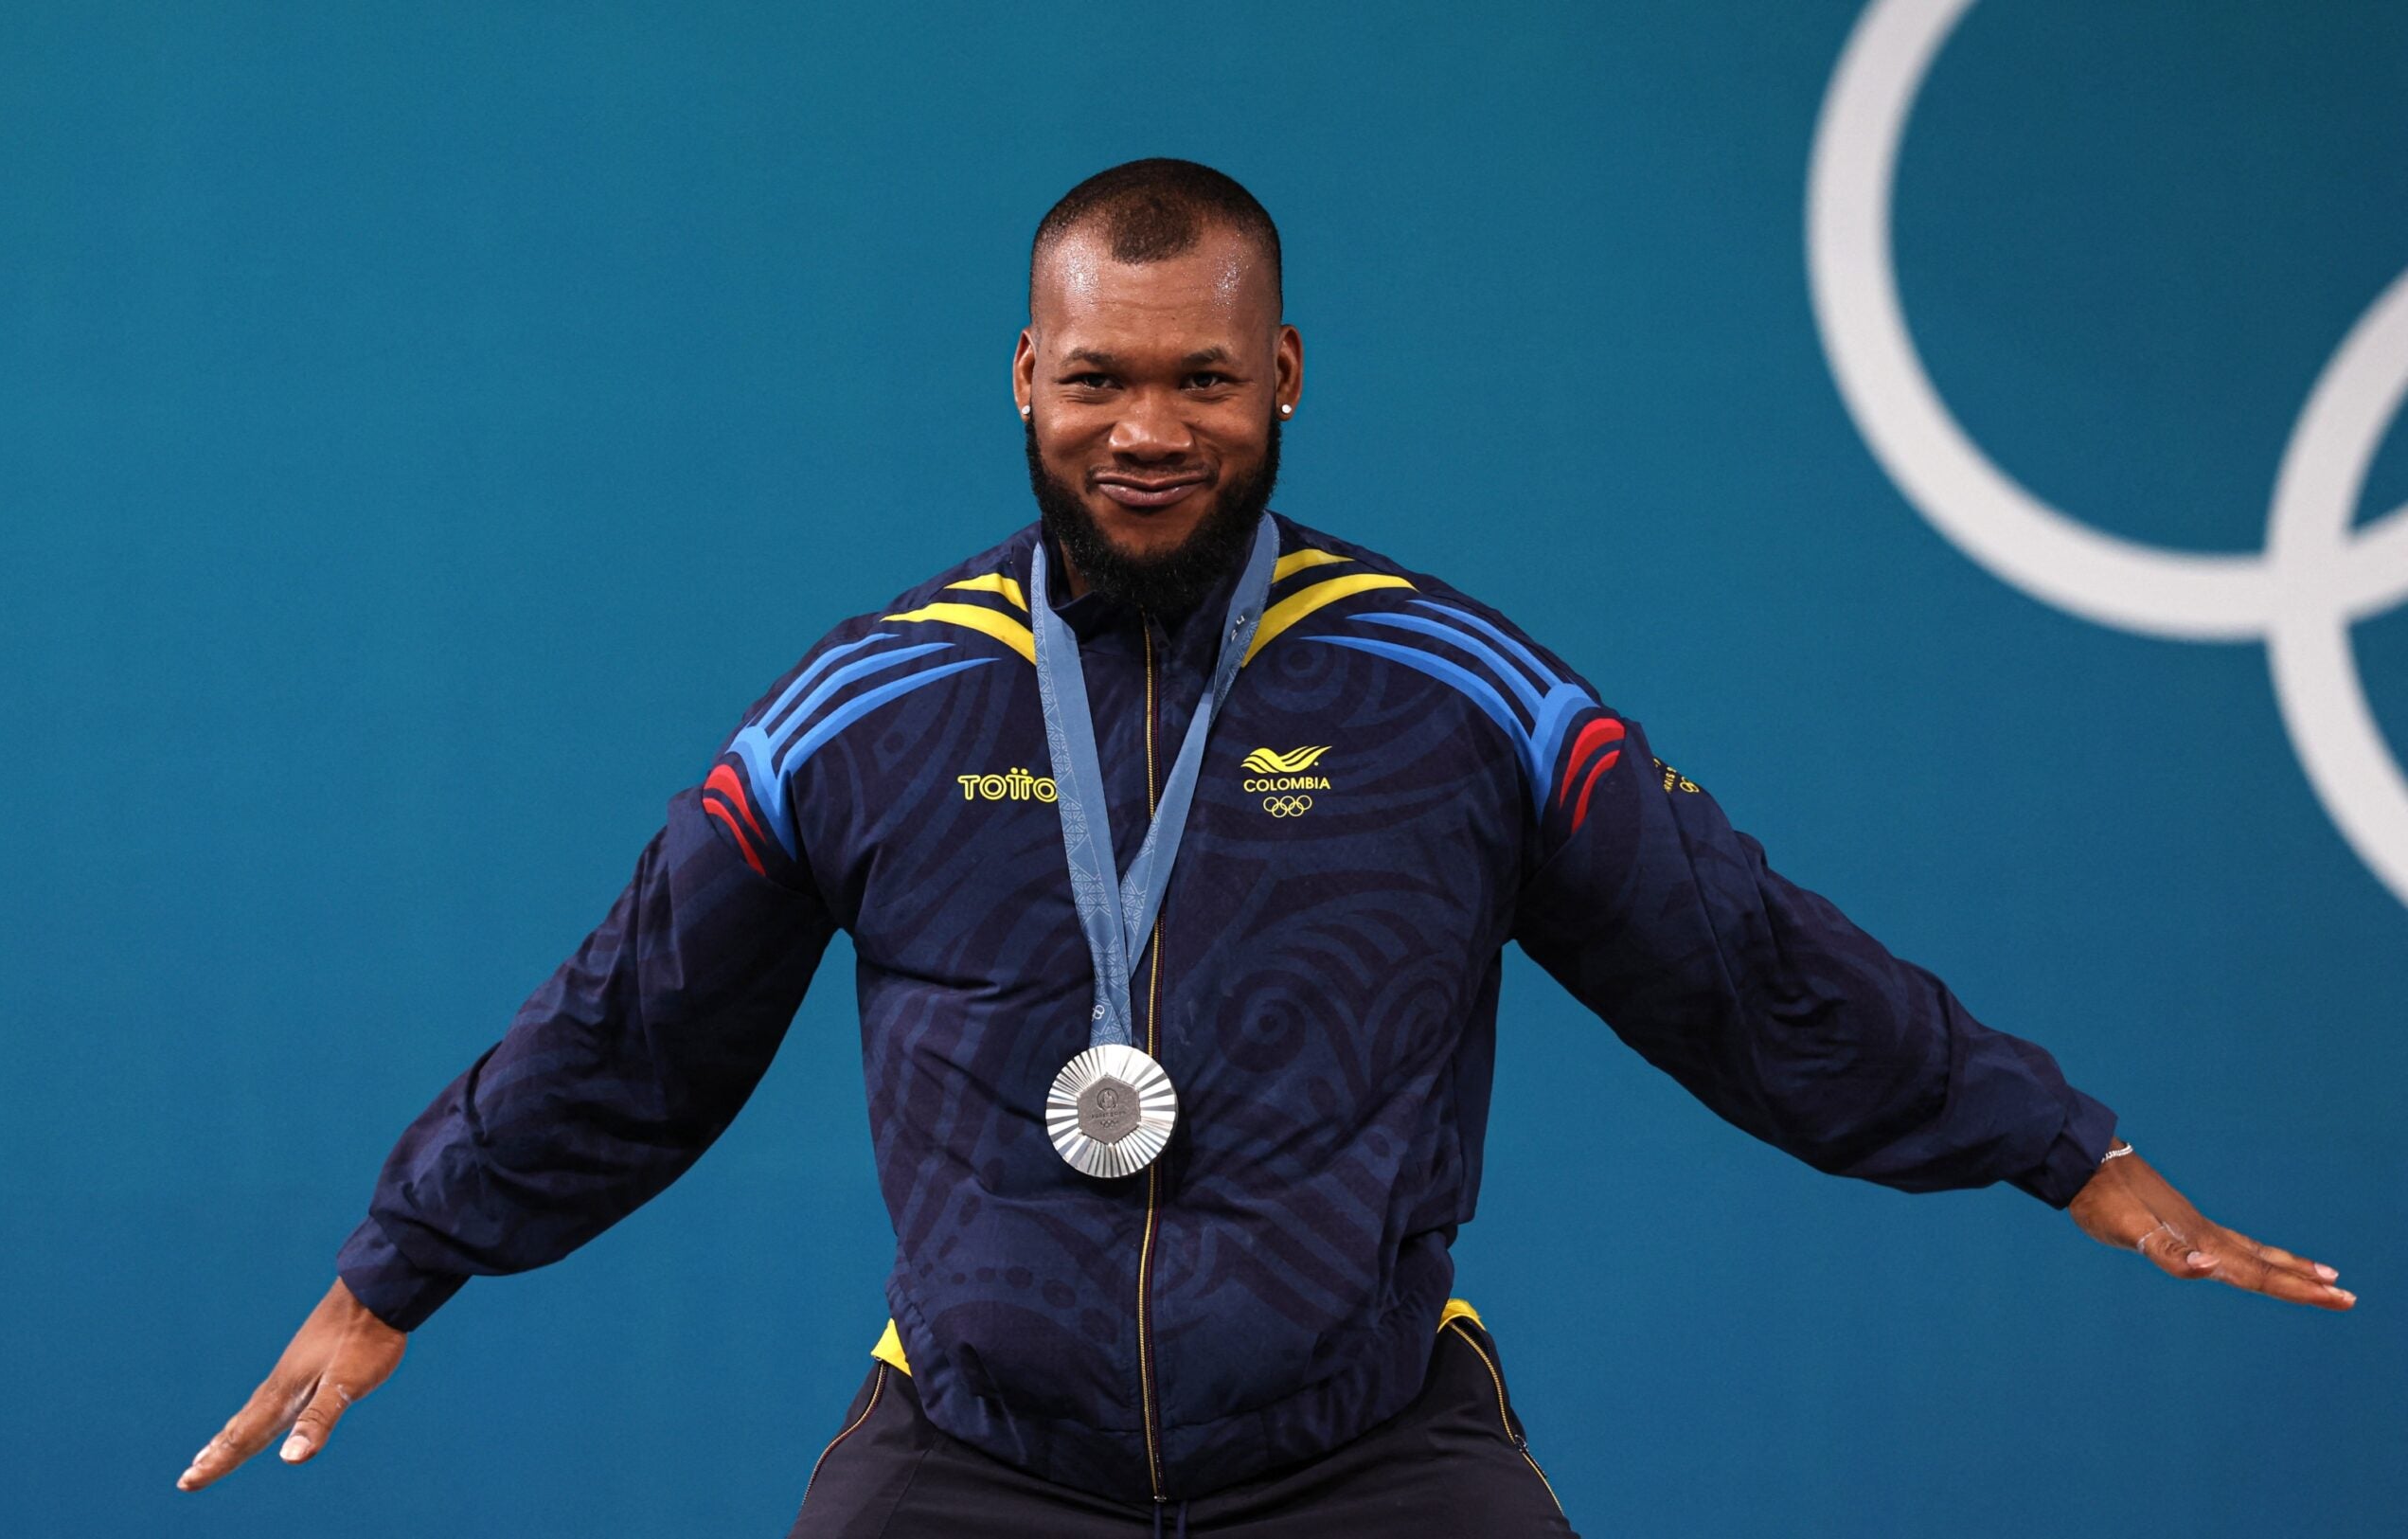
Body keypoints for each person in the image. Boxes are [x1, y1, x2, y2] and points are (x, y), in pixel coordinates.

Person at [177, 159, 2355, 1536]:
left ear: (1283, 375)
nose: (1147, 431)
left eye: (1201, 381)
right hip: (969, 1460)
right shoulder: (872, 706)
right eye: (1100, 380)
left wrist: (2055, 1145)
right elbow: (632, 1024)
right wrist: (399, 1267)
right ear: (1021, 375)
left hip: (1366, 1451)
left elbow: (1744, 962)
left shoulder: (1451, 694)